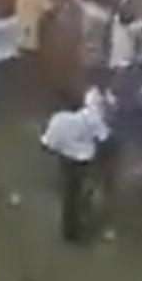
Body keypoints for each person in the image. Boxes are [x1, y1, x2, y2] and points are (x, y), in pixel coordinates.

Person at [41, 93, 107, 244]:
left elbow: (48, 144)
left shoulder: (58, 120)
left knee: (70, 195)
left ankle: (70, 232)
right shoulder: (90, 118)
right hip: (86, 160)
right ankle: (86, 215)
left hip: (66, 161)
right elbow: (104, 137)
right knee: (87, 189)